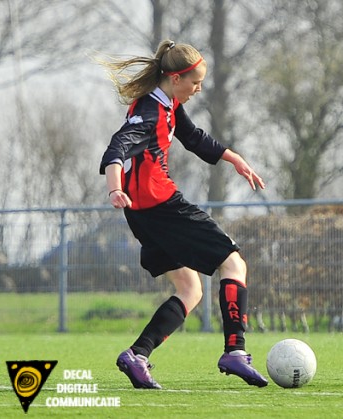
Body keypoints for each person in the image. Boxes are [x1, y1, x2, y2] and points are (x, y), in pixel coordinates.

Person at [98, 40, 268, 389]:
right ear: (175, 79)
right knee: (234, 264)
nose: (198, 89)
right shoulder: (149, 112)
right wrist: (114, 187)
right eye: (194, 83)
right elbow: (117, 148)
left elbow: (193, 138)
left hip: (144, 214)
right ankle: (235, 350)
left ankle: (137, 355)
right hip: (162, 207)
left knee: (190, 288)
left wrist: (234, 159)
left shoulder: (167, 104)